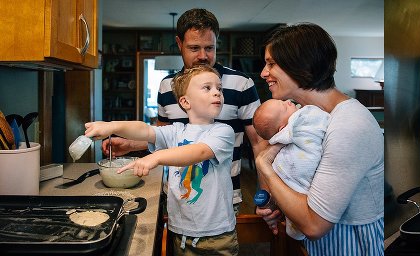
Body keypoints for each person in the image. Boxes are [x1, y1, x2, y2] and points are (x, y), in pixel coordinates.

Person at [101, 8, 262, 213]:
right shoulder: (167, 86)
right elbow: (164, 136)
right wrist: (130, 145)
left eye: (209, 48)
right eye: (194, 48)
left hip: (223, 199)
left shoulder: (241, 83)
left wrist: (264, 196)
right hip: (177, 195)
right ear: (179, 44)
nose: (203, 56)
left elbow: (259, 145)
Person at [254, 23, 384, 255]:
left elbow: (314, 225)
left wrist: (265, 168)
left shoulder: (349, 124)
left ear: (300, 65)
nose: (264, 73)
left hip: (349, 245)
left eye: (271, 63)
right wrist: (276, 202)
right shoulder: (305, 119)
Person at [86, 65, 239, 255]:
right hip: (180, 230)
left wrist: (156, 157)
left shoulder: (223, 131)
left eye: (219, 88)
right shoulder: (175, 131)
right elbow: (144, 130)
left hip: (216, 235)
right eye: (207, 88)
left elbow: (198, 152)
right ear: (185, 102)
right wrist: (111, 126)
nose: (217, 93)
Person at [252, 99, 330, 240]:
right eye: (284, 106)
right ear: (282, 130)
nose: (288, 102)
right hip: (300, 167)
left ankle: (294, 221)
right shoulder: (298, 121)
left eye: (284, 102)